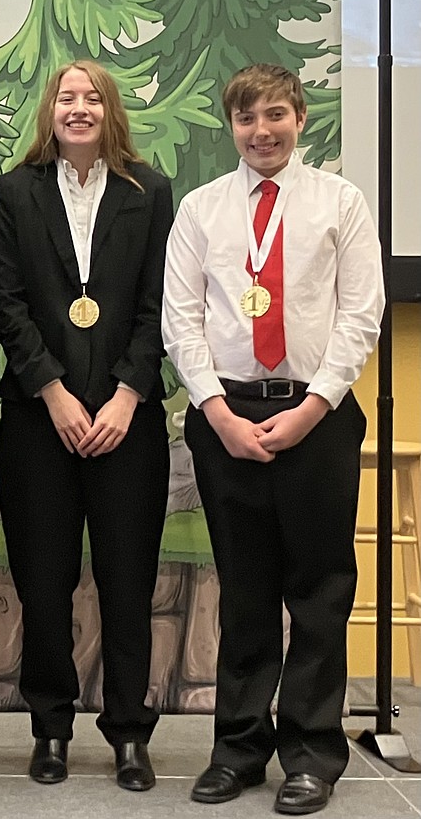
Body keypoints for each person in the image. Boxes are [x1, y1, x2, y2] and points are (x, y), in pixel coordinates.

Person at [162, 64, 383, 816]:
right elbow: (180, 320)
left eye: (276, 116)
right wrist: (219, 412)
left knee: (319, 590)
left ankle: (314, 754)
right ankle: (239, 748)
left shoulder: (340, 202)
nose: (262, 131)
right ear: (231, 126)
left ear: (301, 118)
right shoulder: (201, 209)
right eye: (248, 118)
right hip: (226, 415)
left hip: (315, 417)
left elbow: (361, 314)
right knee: (246, 592)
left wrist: (313, 407)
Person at [0, 60, 173, 792]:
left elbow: (164, 301)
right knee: (44, 582)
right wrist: (55, 393)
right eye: (67, 96)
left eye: (92, 96)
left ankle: (129, 733)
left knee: (129, 584)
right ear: (50, 109)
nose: (79, 107)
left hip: (131, 422)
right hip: (42, 424)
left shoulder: (149, 192)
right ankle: (52, 728)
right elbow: (6, 301)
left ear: (110, 109)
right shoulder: (16, 191)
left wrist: (127, 394)